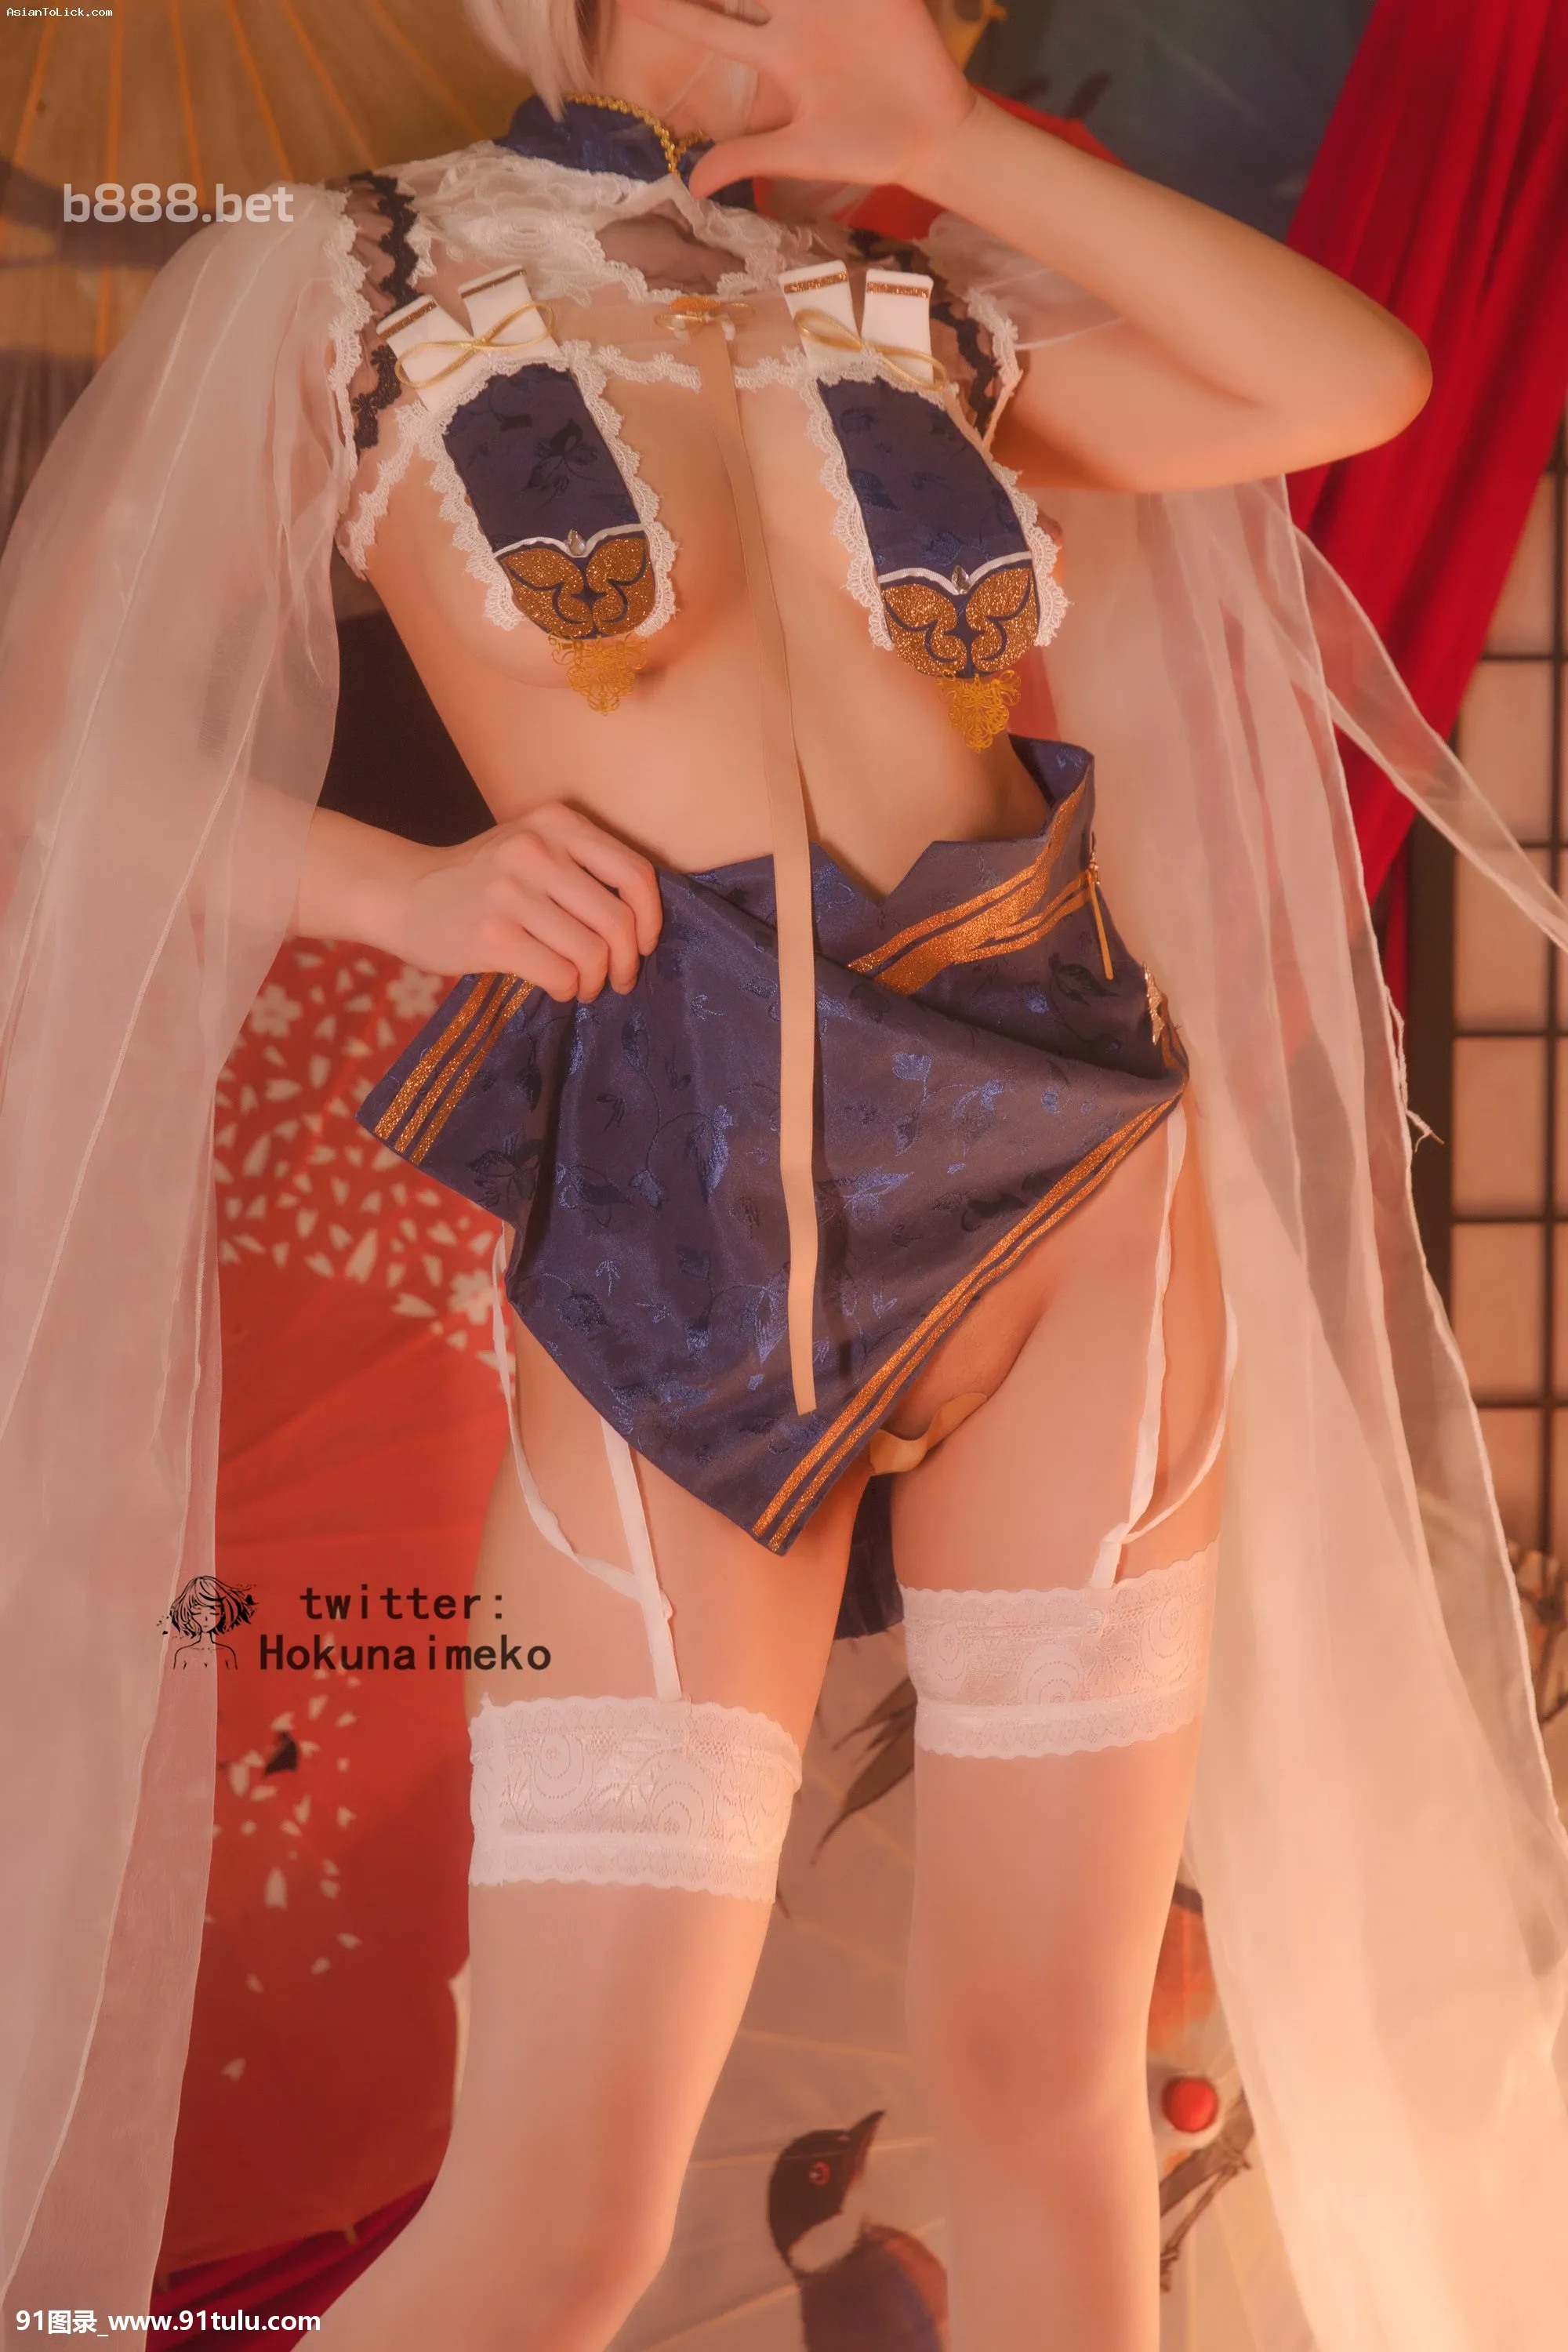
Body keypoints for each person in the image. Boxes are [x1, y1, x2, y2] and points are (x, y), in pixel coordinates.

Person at [5, 2, 1568, 2347]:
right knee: (561, 2216)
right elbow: (52, 742)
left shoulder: (906, 303)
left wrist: (952, 138)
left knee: (1047, 2094)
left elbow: (1352, 386)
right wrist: (408, 894)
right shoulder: (343, 275)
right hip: (681, 1220)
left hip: (1071, 1191)